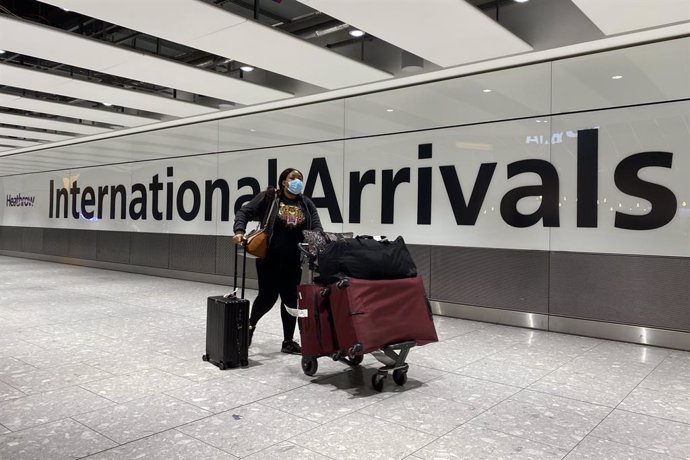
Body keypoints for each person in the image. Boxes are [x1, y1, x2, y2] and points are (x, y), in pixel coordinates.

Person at [232, 168, 322, 354]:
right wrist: (239, 231)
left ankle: (288, 342)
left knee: (290, 301)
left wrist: (320, 242)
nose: (297, 181)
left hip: (293, 260)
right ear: (284, 181)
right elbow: (244, 212)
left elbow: (316, 226)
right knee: (267, 297)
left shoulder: (305, 203)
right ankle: (250, 325)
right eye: (293, 178)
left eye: (300, 179)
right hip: (269, 258)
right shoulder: (270, 197)